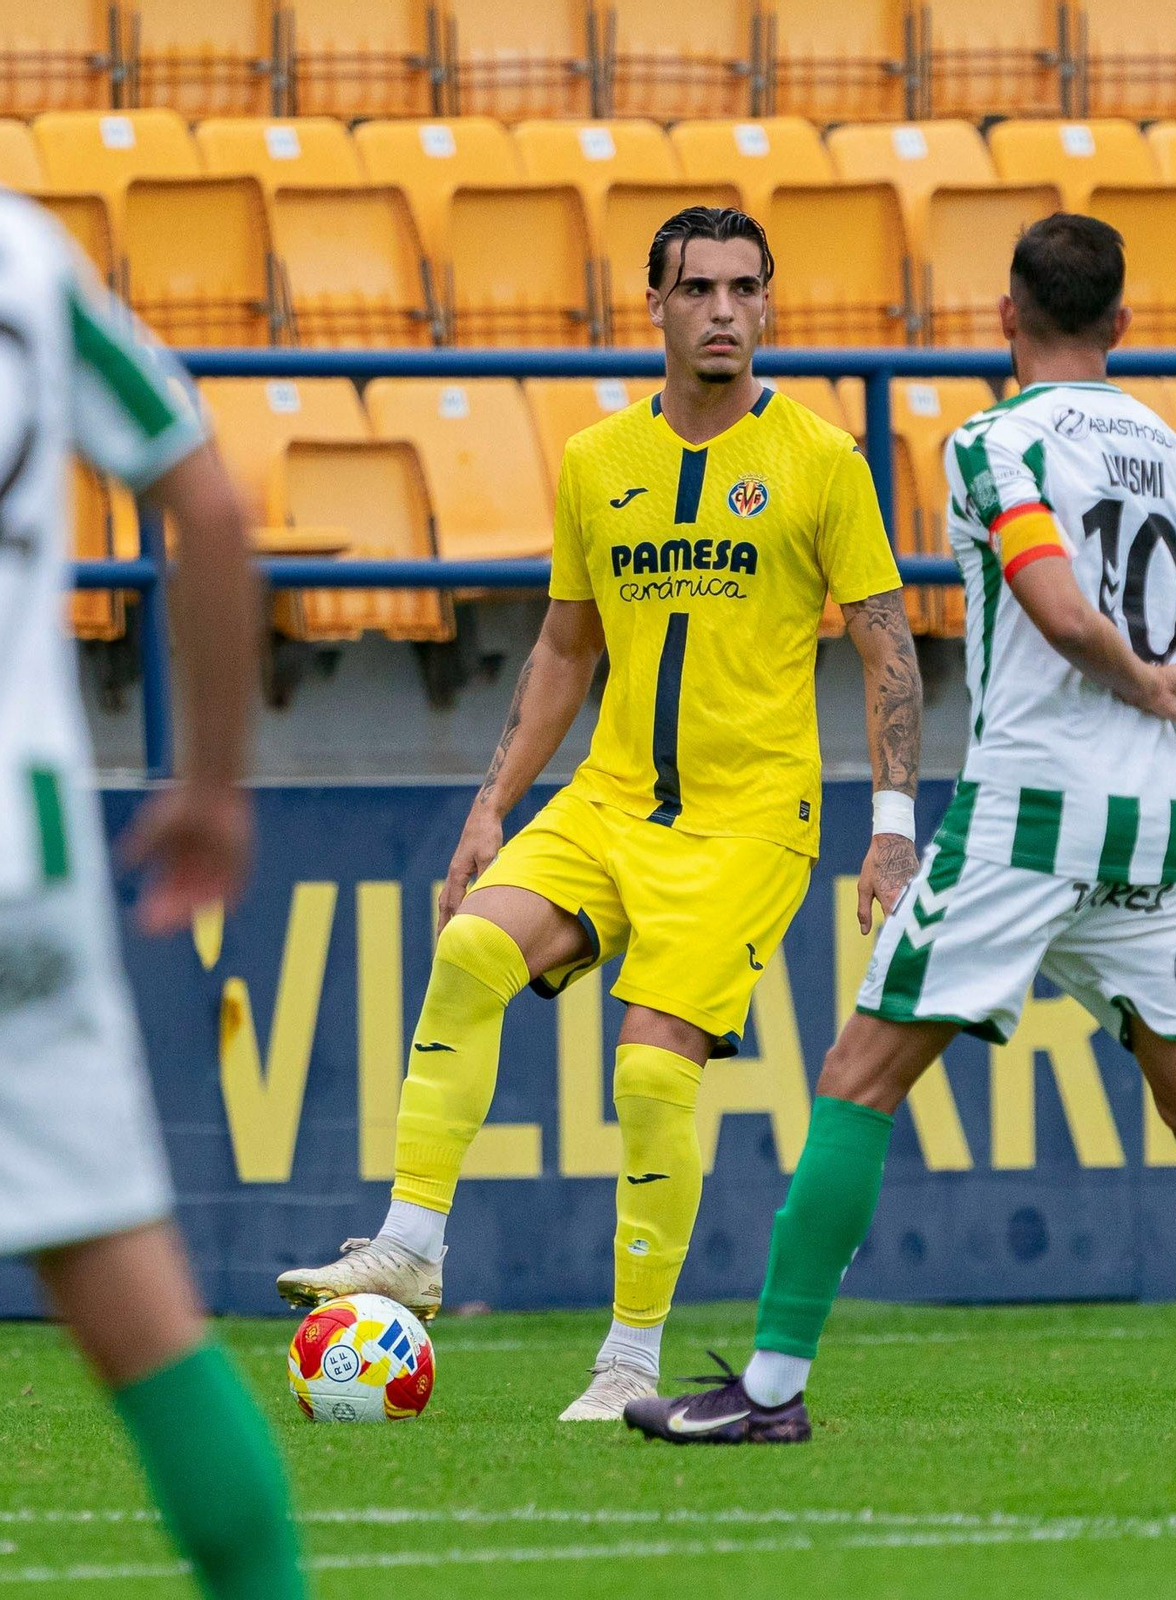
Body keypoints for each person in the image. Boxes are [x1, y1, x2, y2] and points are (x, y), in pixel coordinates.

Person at [624, 212, 1176, 1447]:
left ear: (1006, 316)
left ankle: (767, 1393)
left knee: (857, 1077)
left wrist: (1140, 681)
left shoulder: (994, 443)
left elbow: (1051, 602)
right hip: (1146, 826)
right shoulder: (1174, 459)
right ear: (1122, 324)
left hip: (1028, 814)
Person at [277, 205, 924, 1421]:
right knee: (470, 948)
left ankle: (628, 1357)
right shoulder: (594, 461)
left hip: (747, 821)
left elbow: (888, 649)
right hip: (611, 798)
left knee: (650, 1070)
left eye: (744, 288)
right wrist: (491, 808)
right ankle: (411, 1243)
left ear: (766, 304)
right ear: (657, 306)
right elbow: (565, 648)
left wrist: (891, 823)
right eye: (699, 289)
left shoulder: (822, 461)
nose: (724, 310)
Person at [0, 152, 307, 1594]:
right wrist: (212, 785)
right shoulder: (12, 248)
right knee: (139, 1314)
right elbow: (207, 509)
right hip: (6, 864)